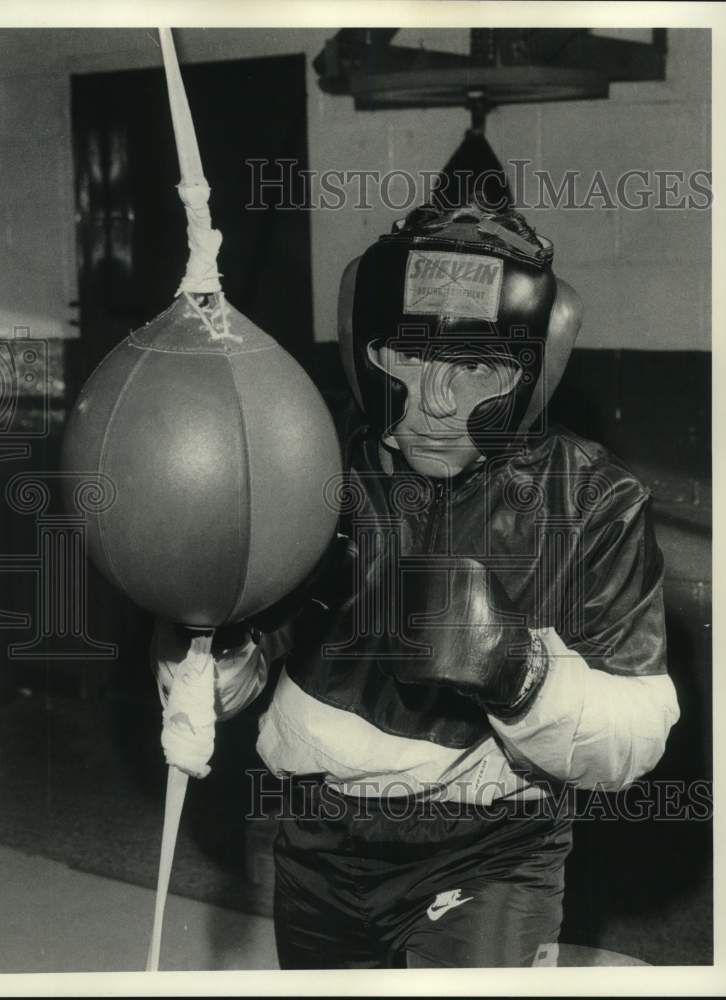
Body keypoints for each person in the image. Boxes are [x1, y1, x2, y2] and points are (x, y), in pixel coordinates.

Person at [153, 203, 680, 968]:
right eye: (411, 353)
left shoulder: (593, 498)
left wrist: (518, 672)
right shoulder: (307, 463)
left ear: (532, 373)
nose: (437, 400)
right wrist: (209, 648)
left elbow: (635, 741)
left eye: (476, 367)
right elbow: (233, 679)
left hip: (491, 853)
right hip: (314, 843)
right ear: (368, 354)